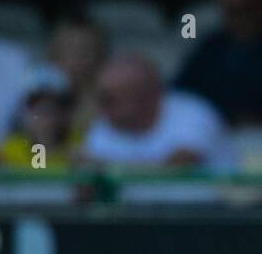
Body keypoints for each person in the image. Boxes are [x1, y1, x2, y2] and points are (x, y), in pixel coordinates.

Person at [79, 53, 232, 172]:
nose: (102, 109)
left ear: (145, 96)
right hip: (136, 212)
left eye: (110, 99)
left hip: (210, 211)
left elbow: (177, 168)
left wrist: (105, 168)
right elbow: (89, 181)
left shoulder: (192, 112)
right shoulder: (104, 127)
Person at [0, 66, 80, 171]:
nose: (46, 116)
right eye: (38, 108)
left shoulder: (78, 144)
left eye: (53, 108)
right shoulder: (9, 150)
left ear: (65, 112)